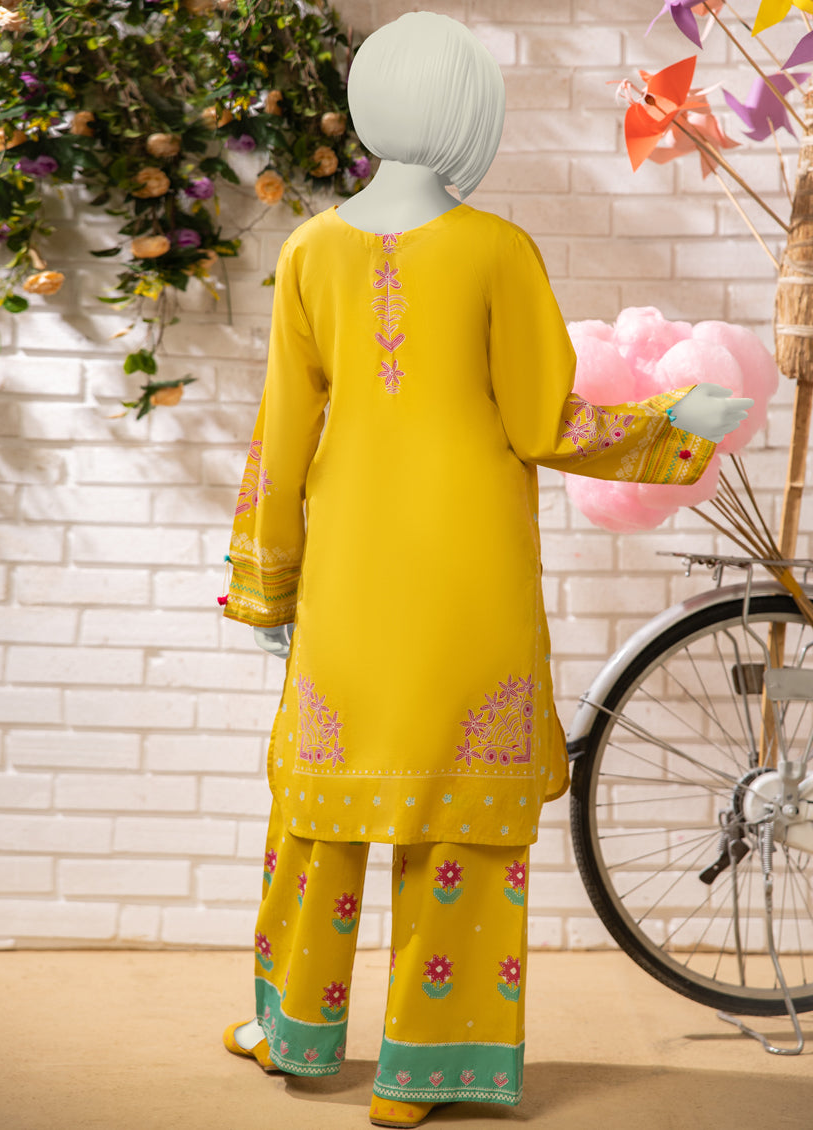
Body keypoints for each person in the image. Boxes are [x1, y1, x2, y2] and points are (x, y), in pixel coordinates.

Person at [219, 11, 752, 1128]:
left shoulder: (309, 251)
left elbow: (282, 432)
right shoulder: (498, 250)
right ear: (470, 117)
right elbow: (544, 421)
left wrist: (270, 585)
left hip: (350, 581)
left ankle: (293, 1031)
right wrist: (676, 418)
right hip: (468, 583)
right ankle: (428, 1070)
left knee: (318, 809)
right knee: (461, 822)